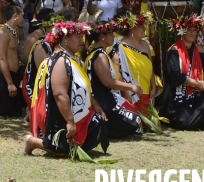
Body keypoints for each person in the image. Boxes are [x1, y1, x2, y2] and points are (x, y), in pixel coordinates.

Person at [25, 22, 109, 156]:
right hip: (59, 114)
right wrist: (70, 121)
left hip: (70, 110)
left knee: (94, 130)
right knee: (66, 152)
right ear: (65, 39)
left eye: (82, 38)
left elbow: (81, 86)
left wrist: (94, 103)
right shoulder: (60, 61)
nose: (82, 41)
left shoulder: (71, 58)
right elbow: (59, 94)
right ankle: (33, 142)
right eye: (77, 37)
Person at [160, 15, 204, 131]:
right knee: (186, 123)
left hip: (196, 94)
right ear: (181, 31)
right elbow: (176, 77)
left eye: (195, 30)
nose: (193, 33)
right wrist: (197, 84)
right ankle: (194, 121)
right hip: (177, 98)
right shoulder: (173, 50)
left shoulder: (200, 50)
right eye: (190, 30)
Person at [86, 20, 142, 138]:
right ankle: (101, 128)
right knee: (135, 121)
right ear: (102, 36)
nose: (113, 37)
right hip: (102, 100)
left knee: (135, 120)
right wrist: (131, 87)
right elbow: (108, 82)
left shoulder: (98, 53)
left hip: (104, 98)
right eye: (111, 34)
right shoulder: (99, 55)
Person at [110, 11, 161, 114]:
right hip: (132, 92)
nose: (144, 29)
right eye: (141, 27)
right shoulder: (119, 47)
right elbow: (118, 73)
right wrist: (126, 92)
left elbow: (150, 66)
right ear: (132, 29)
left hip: (146, 90)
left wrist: (153, 87)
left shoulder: (145, 44)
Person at [21, 10, 57, 108]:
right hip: (33, 80)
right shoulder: (36, 40)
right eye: (54, 25)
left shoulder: (52, 40)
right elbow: (24, 58)